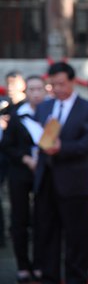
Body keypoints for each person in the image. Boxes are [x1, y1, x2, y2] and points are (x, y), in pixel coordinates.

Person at [34, 62, 88, 284]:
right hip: (46, 179)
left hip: (74, 181)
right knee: (47, 233)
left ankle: (76, 278)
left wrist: (63, 147)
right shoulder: (44, 107)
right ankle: (49, 276)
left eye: (61, 84)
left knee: (76, 235)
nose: (57, 89)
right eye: (53, 85)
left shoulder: (87, 109)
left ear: (73, 81)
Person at [1, 75, 46, 282]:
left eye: (39, 89)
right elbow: (7, 145)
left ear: (45, 91)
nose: (36, 94)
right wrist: (25, 158)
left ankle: (39, 264)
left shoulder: (51, 113)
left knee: (42, 219)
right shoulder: (17, 114)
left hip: (44, 173)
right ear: (26, 92)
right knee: (19, 219)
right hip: (20, 173)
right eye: (32, 90)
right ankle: (22, 266)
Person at [0, 71, 27, 249]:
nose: (10, 87)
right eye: (8, 83)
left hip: (23, 160)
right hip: (5, 157)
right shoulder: (4, 104)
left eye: (14, 83)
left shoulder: (28, 107)